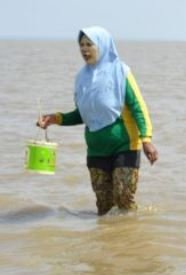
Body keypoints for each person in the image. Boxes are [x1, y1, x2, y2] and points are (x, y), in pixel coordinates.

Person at [37, 26, 158, 215]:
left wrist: (146, 139)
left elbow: (138, 107)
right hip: (96, 149)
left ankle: (132, 237)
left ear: (102, 45)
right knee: (104, 206)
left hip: (125, 145)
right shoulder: (81, 78)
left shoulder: (121, 72)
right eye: (81, 45)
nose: (84, 49)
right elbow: (84, 114)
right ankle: (106, 242)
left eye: (89, 44)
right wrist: (56, 119)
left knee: (124, 197)